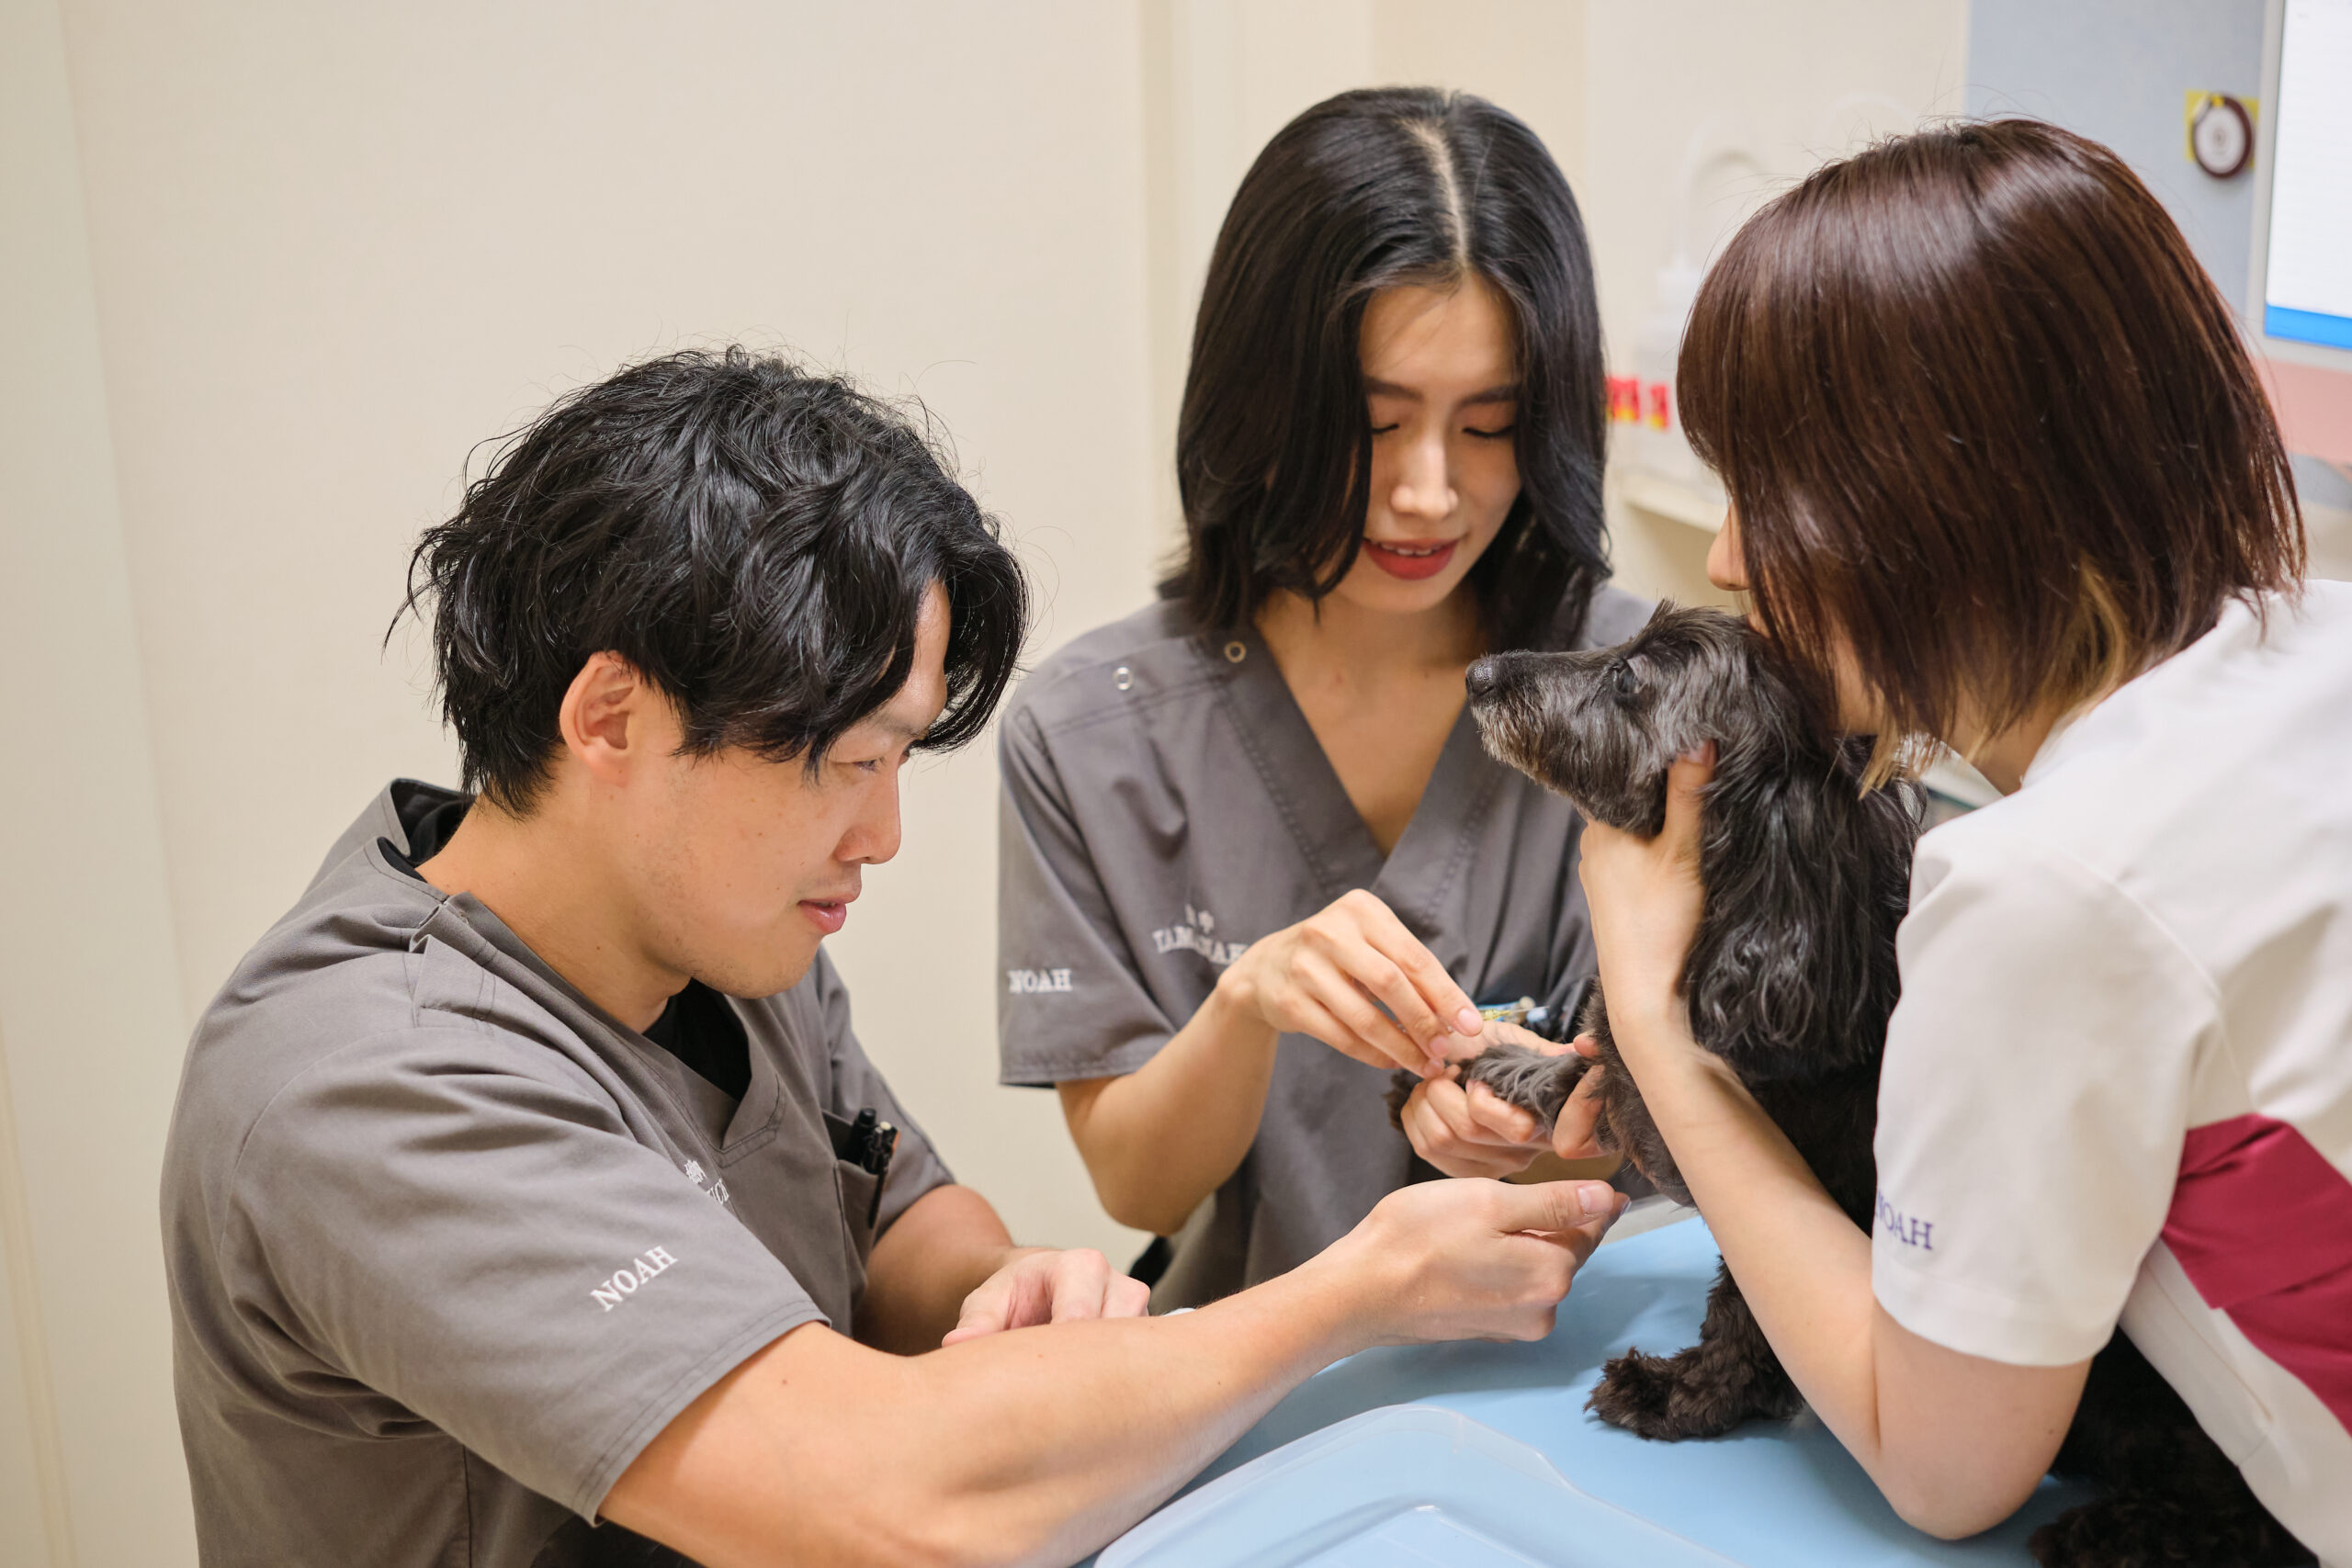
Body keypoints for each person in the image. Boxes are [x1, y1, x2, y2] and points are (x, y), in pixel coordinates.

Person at [158, 348, 1632, 1568]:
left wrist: (1003, 1284)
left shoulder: (723, 937)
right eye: (846, 765)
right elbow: (894, 1504)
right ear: (609, 718)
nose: (883, 837)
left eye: (902, 760)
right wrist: (1350, 1296)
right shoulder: (370, 1088)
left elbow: (883, 1206)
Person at [1566, 121, 2345, 1560]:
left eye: (1764, 495)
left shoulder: (2043, 889)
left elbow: (1943, 1466)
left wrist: (1653, 1026)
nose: (1731, 557)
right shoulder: (2324, 648)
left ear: (1937, 504)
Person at [996, 87, 1649, 1308]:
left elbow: (1721, 1121)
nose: (1427, 494)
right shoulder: (1091, 732)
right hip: (1273, 1393)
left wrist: (1560, 1124)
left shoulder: (1645, 699)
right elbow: (1138, 1187)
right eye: (1371, 422)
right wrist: (1249, 1007)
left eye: (1490, 425)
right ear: (1261, 406)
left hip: (1598, 1369)